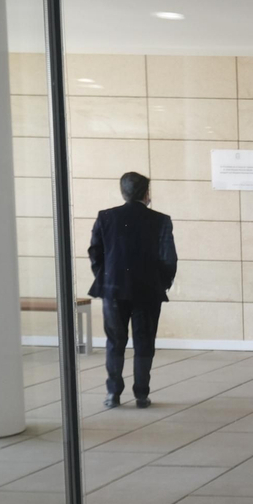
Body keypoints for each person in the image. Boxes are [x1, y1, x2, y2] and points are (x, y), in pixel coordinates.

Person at [88, 171, 176, 408]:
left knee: (115, 342)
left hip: (113, 289)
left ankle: (113, 393)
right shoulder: (161, 220)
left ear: (122, 192)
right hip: (148, 291)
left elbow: (95, 252)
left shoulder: (106, 217)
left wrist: (106, 277)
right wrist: (162, 283)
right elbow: (168, 258)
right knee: (144, 342)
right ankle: (141, 394)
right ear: (146, 193)